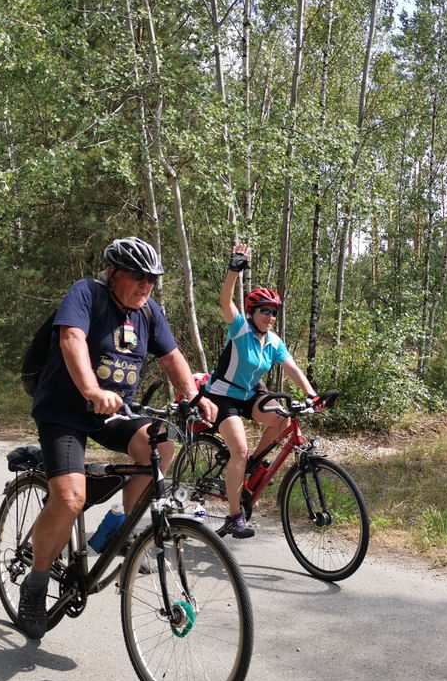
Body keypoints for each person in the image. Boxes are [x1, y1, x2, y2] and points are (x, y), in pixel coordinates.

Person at [18, 236, 217, 641]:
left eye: (152, 279)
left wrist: (193, 397)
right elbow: (71, 339)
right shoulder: (87, 294)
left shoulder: (148, 312)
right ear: (112, 274)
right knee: (70, 499)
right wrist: (92, 390)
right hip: (64, 413)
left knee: (160, 443)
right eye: (137, 277)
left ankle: (123, 527)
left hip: (115, 413)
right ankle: (35, 583)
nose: (146, 285)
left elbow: (170, 356)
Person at [202, 243, 316, 539]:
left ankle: (252, 465)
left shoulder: (273, 341)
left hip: (250, 394)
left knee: (284, 420)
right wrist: (234, 270)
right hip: (222, 396)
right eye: (265, 311)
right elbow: (225, 300)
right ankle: (233, 516)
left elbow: (292, 368)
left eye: (274, 312)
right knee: (238, 449)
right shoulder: (240, 329)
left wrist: (311, 395)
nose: (270, 316)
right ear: (252, 312)